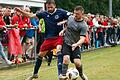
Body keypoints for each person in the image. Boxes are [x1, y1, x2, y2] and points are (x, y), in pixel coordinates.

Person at [15, 0, 70, 79]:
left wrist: (64, 23)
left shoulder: (61, 12)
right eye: (48, 7)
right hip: (48, 38)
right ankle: (35, 74)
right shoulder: (44, 13)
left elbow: (72, 17)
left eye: (51, 7)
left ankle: (60, 74)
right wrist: (21, 11)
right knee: (40, 55)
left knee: (59, 51)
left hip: (58, 37)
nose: (50, 9)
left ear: (55, 6)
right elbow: (31, 16)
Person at [59, 6, 88, 80]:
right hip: (66, 42)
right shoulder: (70, 18)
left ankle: (81, 74)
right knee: (66, 58)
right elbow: (68, 26)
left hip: (76, 44)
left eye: (77, 14)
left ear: (82, 14)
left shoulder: (83, 25)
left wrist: (76, 44)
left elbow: (82, 38)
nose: (75, 15)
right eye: (74, 13)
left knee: (77, 62)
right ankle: (63, 76)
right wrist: (63, 31)